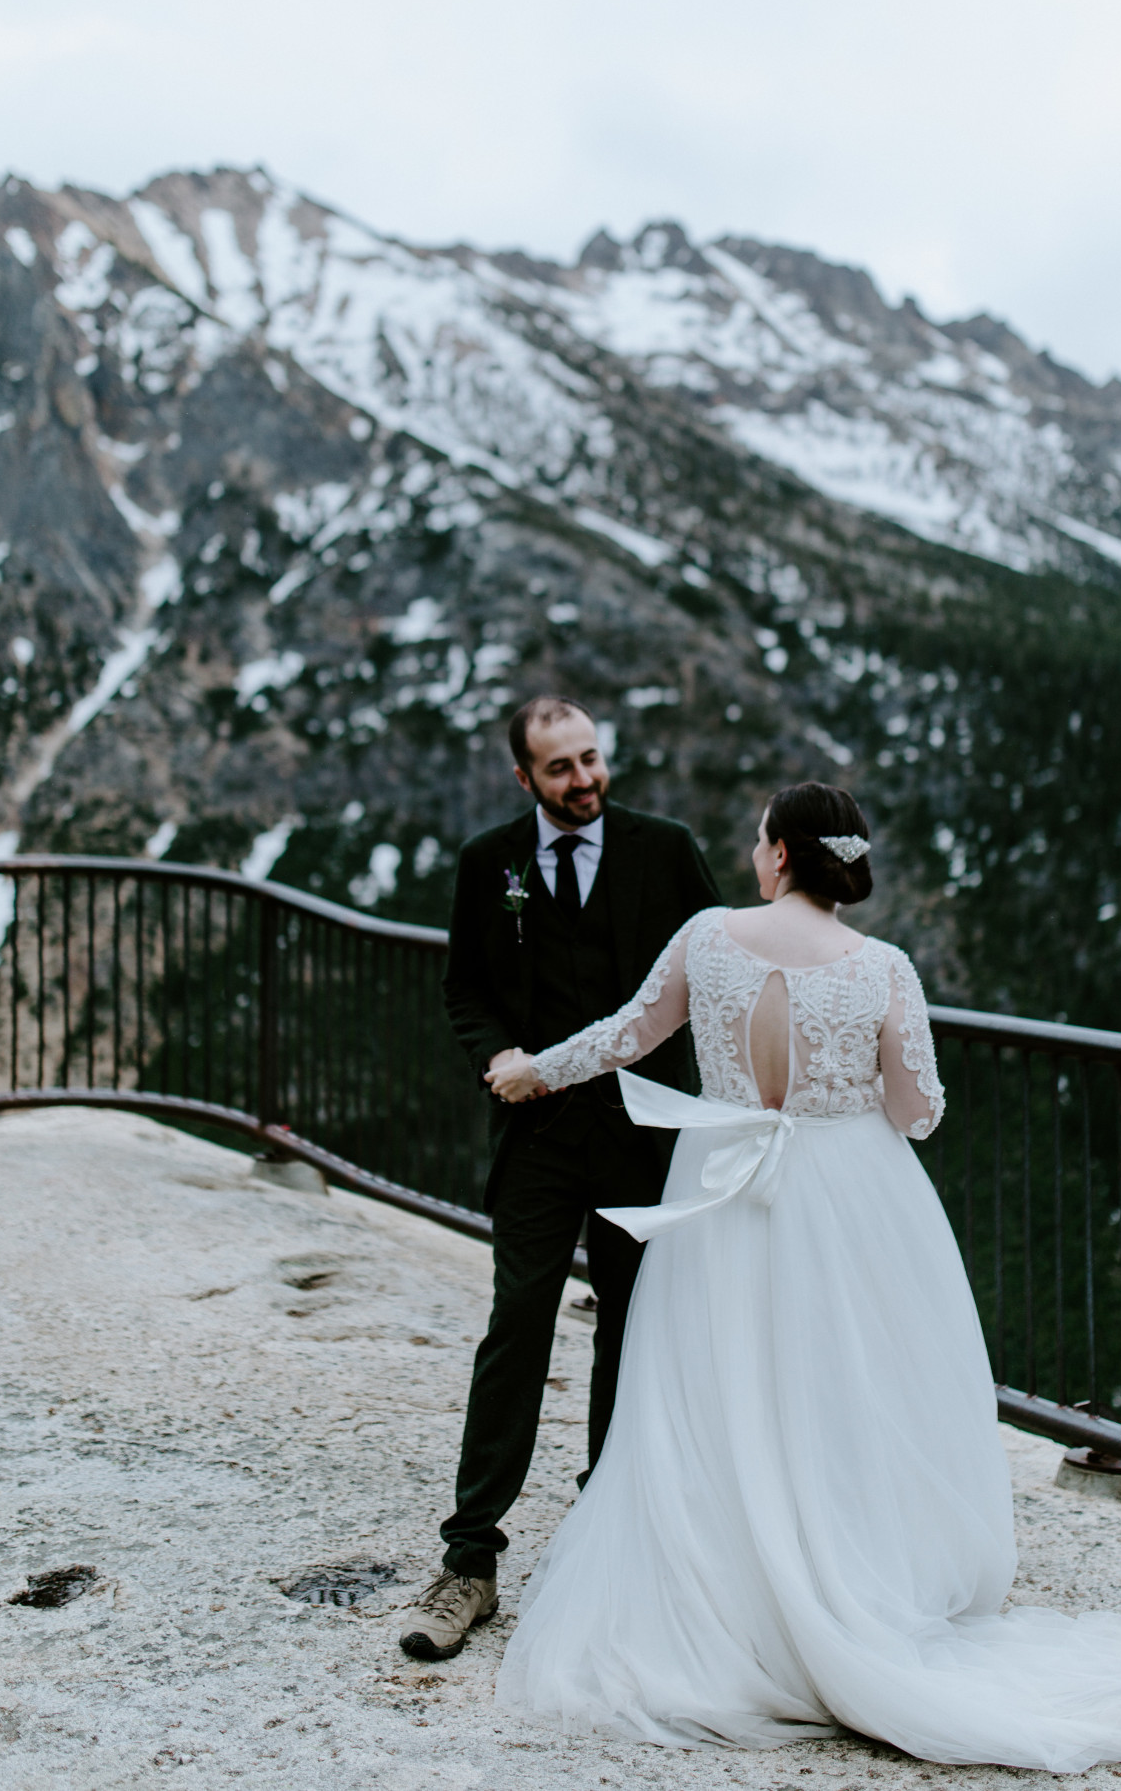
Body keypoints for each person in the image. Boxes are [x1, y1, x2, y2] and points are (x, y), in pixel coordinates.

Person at [485, 782, 1121, 1771]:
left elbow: (627, 1035)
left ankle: (723, 1591)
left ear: (777, 856)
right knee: (840, 1388)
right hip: (840, 1191)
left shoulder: (706, 937)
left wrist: (532, 1070)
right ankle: (840, 1574)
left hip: (717, 1179)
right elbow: (917, 1109)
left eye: (759, 837)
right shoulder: (880, 967)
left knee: (709, 1388)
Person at [397, 695, 720, 1661]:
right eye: (560, 769)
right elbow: (465, 988)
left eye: (591, 760)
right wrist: (495, 1056)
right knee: (516, 1327)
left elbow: (716, 974)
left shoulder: (665, 851)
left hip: (640, 1140)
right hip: (536, 1139)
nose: (583, 781)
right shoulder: (484, 863)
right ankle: (468, 1562)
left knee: (631, 1331)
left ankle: (606, 1545)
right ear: (522, 778)